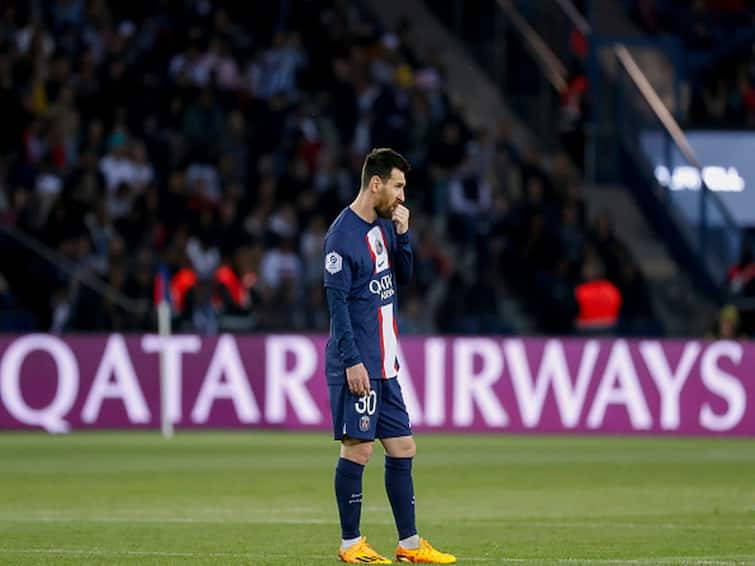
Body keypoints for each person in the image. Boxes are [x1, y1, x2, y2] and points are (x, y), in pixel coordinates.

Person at [323, 148, 456, 564]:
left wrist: (402, 235)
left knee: (403, 447)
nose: (402, 195)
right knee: (357, 449)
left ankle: (410, 546)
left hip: (385, 364)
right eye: (398, 186)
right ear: (376, 184)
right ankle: (351, 545)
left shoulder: (382, 226)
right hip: (358, 365)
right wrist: (351, 361)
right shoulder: (341, 237)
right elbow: (337, 305)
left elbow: (405, 279)